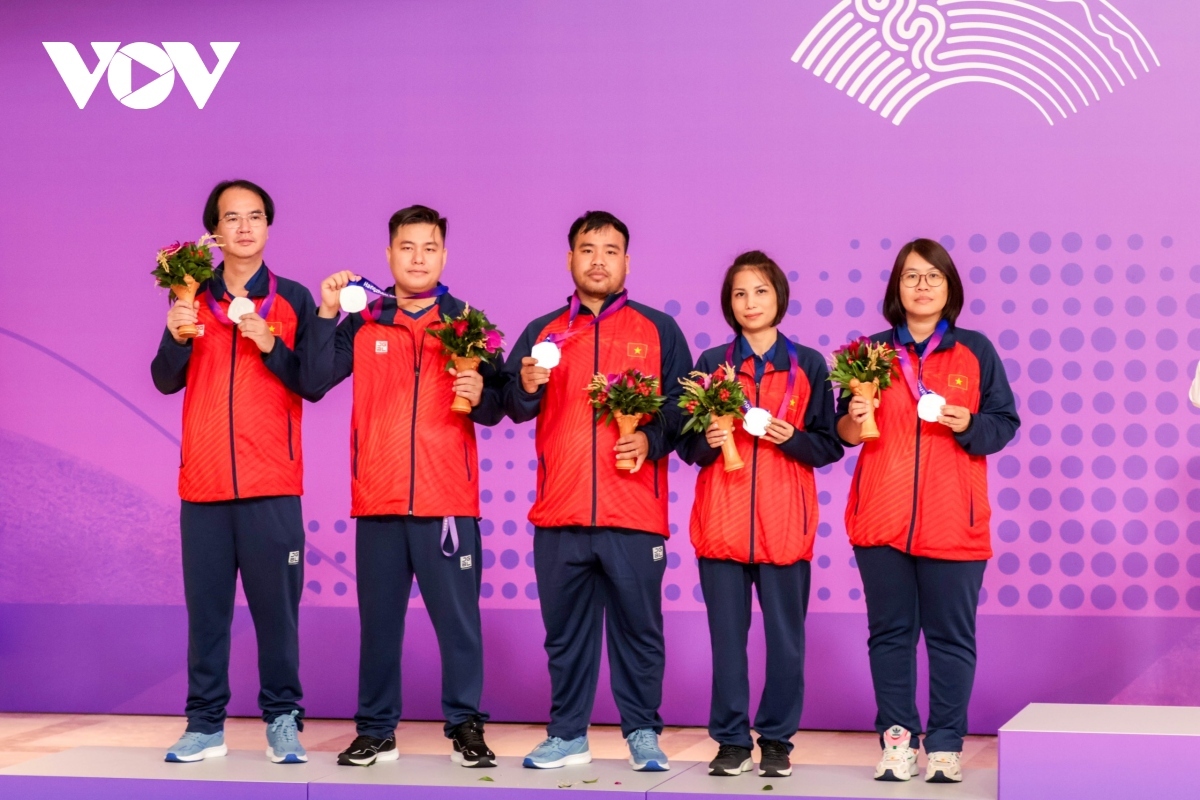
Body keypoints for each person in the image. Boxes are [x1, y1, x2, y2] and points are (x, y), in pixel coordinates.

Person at [305, 205, 503, 768]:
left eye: (430, 248)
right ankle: (376, 729)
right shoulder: (364, 319)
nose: (418, 258)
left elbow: (497, 406)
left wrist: (479, 389)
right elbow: (316, 381)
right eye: (407, 247)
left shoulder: (468, 321)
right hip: (380, 500)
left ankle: (466, 726)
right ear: (389, 254)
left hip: (448, 503)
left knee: (460, 624)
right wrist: (324, 313)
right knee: (380, 624)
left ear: (445, 255)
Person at [503, 211, 692, 771]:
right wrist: (527, 385)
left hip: (634, 512)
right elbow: (509, 407)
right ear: (570, 259)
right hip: (559, 511)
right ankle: (567, 735)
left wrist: (650, 442)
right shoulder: (542, 331)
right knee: (564, 636)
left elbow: (684, 409)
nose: (599, 260)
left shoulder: (659, 330)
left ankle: (642, 734)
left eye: (611, 251)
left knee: (640, 630)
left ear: (627, 262)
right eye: (588, 249)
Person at [835, 238, 1019, 784]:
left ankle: (943, 745)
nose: (921, 286)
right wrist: (854, 414)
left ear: (949, 287)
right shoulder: (867, 352)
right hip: (880, 520)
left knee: (951, 638)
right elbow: (843, 434)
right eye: (911, 276)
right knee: (889, 635)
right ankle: (896, 742)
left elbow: (1003, 425)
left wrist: (968, 424)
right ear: (896, 287)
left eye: (933, 277)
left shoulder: (975, 350)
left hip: (953, 522)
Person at [151, 179, 320, 764]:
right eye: (232, 218)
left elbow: (311, 382)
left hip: (272, 483)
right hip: (202, 484)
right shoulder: (190, 298)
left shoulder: (294, 298)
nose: (244, 227)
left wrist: (272, 342)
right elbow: (165, 377)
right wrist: (175, 335)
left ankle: (282, 719)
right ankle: (204, 725)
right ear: (215, 233)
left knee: (278, 612)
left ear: (268, 226)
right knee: (208, 612)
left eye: (255, 216)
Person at [677, 251, 843, 779]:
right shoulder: (710, 365)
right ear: (730, 303)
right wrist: (708, 439)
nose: (750, 303)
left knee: (786, 642)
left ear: (779, 298)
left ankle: (776, 739)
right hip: (721, 522)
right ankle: (730, 740)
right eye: (740, 294)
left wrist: (792, 438)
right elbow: (685, 447)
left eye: (760, 291)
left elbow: (829, 445)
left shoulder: (809, 365)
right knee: (727, 643)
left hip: (785, 525)